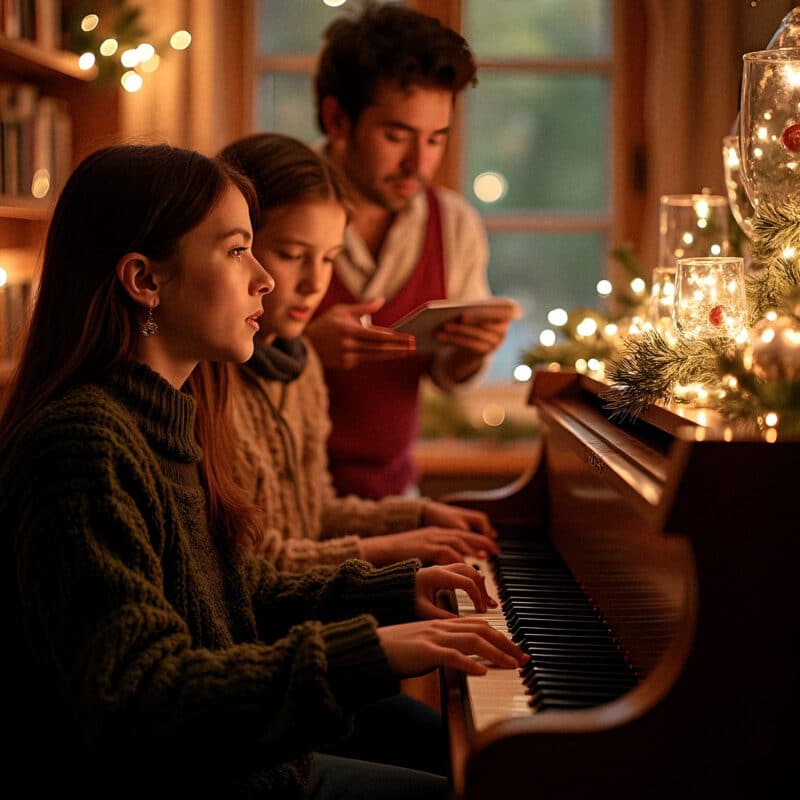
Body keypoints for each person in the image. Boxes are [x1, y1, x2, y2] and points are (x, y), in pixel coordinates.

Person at [0, 143, 529, 799]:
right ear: (145, 280)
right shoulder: (84, 444)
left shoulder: (170, 416)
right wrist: (373, 652)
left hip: (255, 765)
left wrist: (389, 594)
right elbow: (138, 697)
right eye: (234, 250)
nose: (267, 280)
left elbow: (231, 589)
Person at [218, 131, 502, 572]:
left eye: (330, 258)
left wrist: (418, 516)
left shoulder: (301, 366)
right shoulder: (211, 382)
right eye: (293, 254)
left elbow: (315, 513)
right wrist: (398, 547)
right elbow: (254, 564)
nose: (317, 283)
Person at [307, 1, 520, 500]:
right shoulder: (269, 208)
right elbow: (211, 373)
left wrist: (469, 355)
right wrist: (301, 351)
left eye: (435, 139)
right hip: (279, 503)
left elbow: (448, 377)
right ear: (337, 119)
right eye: (396, 135)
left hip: (396, 494)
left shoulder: (454, 224)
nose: (417, 164)